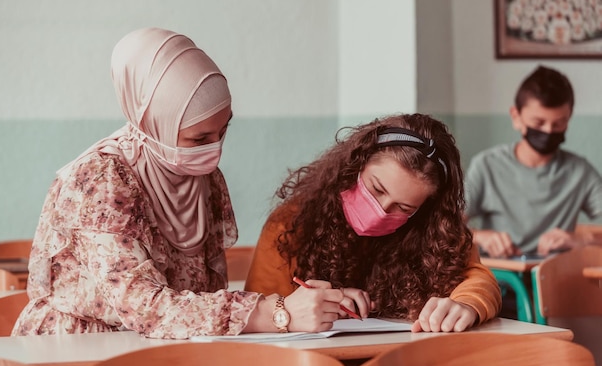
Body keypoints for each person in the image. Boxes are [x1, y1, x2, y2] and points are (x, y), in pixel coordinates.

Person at [12, 27, 347, 339]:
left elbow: (202, 295)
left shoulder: (205, 178)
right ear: (152, 123)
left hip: (169, 345)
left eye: (222, 131)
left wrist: (316, 306)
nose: (214, 150)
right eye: (198, 138)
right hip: (80, 349)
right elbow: (141, 307)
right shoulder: (103, 179)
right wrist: (277, 313)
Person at [245, 113, 501, 333]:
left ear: (423, 211)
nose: (381, 211)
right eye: (376, 189)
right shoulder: (291, 223)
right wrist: (314, 305)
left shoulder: (434, 231)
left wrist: (467, 304)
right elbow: (256, 306)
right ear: (355, 165)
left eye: (404, 208)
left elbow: (476, 277)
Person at [465, 65, 602, 259]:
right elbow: (444, 228)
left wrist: (582, 239)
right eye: (538, 123)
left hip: (554, 280)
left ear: (569, 118)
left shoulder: (581, 172)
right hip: (500, 278)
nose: (548, 131)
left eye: (558, 124)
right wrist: (480, 237)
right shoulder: (486, 165)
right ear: (516, 117)